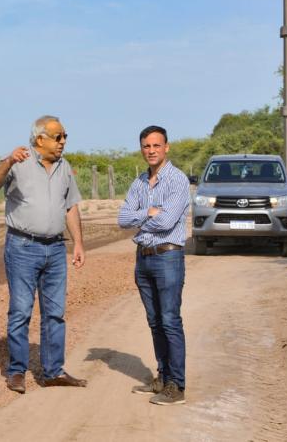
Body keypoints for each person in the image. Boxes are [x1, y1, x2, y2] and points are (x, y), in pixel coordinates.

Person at [0, 115, 86, 394]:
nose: (63, 142)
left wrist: (78, 242)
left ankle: (53, 371)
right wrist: (7, 161)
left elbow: (71, 207)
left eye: (65, 136)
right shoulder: (18, 162)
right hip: (22, 248)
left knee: (55, 313)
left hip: (55, 249)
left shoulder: (65, 167)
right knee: (20, 311)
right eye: (58, 137)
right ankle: (17, 371)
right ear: (40, 139)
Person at [117, 125, 190, 406]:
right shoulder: (138, 183)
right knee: (155, 321)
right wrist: (147, 211)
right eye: (146, 146)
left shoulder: (177, 180)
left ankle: (177, 385)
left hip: (168, 256)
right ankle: (162, 376)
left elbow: (167, 221)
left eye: (156, 146)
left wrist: (141, 217)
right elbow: (122, 219)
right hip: (144, 257)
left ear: (166, 147)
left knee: (170, 320)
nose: (151, 151)